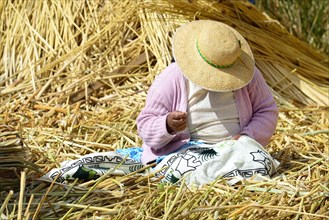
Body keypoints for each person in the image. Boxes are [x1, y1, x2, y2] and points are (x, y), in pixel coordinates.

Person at [136, 20, 278, 183]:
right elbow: (145, 125)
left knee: (261, 163)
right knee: (182, 170)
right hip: (190, 152)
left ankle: (220, 176)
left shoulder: (247, 75)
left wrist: (248, 136)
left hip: (235, 149)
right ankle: (222, 177)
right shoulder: (172, 77)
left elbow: (266, 110)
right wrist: (167, 125)